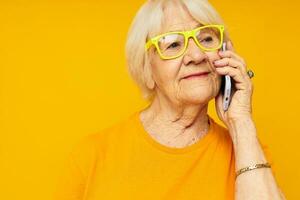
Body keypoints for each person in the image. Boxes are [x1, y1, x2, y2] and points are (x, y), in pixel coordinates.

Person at [54, 0, 285, 199]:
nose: (196, 56)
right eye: (173, 44)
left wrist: (241, 121)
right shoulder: (92, 157)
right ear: (146, 69)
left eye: (206, 39)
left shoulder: (248, 151)